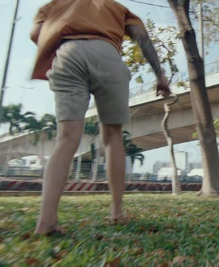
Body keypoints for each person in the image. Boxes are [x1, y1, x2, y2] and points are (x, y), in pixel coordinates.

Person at [30, 0, 171, 235]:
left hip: (68, 54)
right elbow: (142, 39)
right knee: (113, 137)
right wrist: (160, 76)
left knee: (66, 138)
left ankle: (46, 221)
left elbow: (36, 33)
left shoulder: (55, 4)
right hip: (107, 54)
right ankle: (117, 213)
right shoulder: (116, 8)